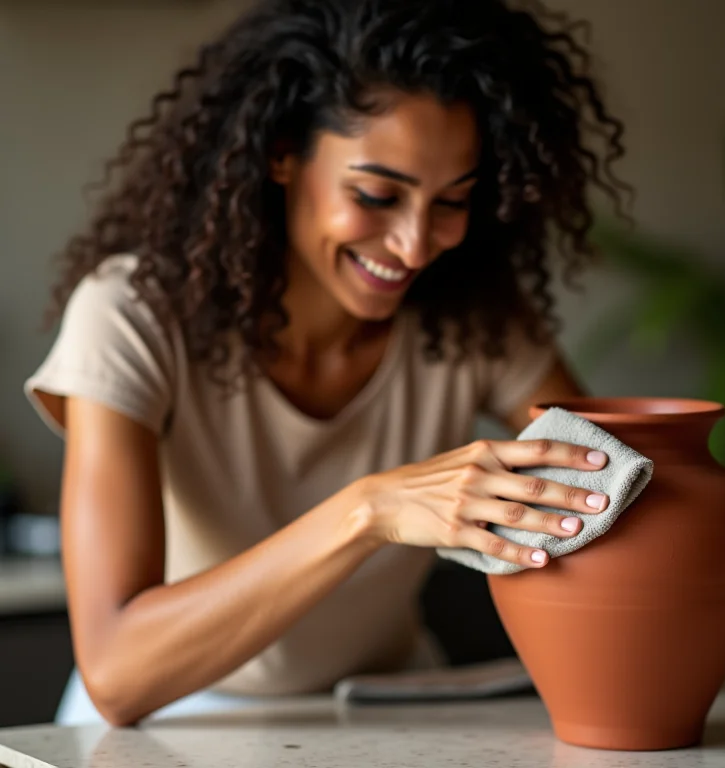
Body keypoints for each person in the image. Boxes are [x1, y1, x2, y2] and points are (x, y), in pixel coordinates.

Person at [25, 0, 629, 727]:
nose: (412, 245)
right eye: (377, 195)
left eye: (452, 201)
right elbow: (118, 672)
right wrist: (367, 511)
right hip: (170, 720)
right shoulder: (133, 315)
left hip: (384, 709)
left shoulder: (474, 325)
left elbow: (609, 486)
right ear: (281, 153)